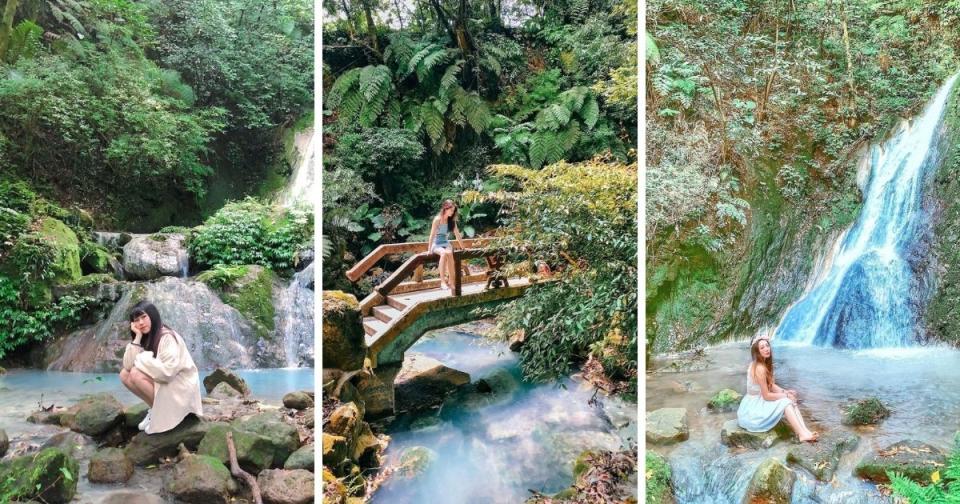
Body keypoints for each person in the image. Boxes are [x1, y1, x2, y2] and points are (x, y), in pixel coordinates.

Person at [119, 301, 203, 434]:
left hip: (181, 386)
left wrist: (141, 359)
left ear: (153, 316)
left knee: (136, 373)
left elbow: (167, 374)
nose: (140, 323)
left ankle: (165, 413)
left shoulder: (167, 337)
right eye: (136, 320)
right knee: (125, 374)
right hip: (167, 383)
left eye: (144, 317)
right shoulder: (145, 337)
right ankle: (155, 410)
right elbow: (128, 365)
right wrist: (137, 338)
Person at [737, 334, 819, 442]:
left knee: (791, 399)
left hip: (759, 401)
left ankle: (804, 431)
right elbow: (766, 396)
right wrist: (785, 396)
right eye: (762, 348)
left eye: (767, 345)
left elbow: (771, 385)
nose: (766, 349)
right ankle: (801, 434)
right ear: (757, 352)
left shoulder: (764, 363)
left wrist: (785, 391)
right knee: (786, 402)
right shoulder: (759, 368)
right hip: (753, 409)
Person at [426, 199, 466, 291]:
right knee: (443, 254)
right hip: (436, 244)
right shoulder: (437, 219)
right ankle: (442, 282)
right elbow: (431, 235)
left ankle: (452, 283)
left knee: (450, 253)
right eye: (451, 210)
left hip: (445, 242)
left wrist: (463, 247)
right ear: (445, 208)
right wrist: (429, 249)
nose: (452, 213)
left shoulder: (451, 221)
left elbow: (457, 235)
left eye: (453, 211)